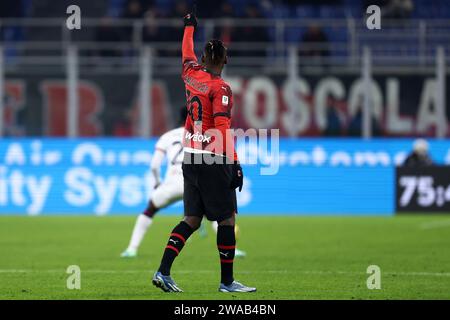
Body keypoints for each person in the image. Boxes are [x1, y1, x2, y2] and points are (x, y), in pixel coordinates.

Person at [152, 11, 256, 293]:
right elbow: (222, 128)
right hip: (213, 158)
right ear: (224, 60)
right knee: (227, 219)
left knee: (191, 219)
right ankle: (227, 282)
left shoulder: (191, 75)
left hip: (190, 157)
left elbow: (186, 53)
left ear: (203, 59)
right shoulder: (220, 87)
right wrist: (234, 162)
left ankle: (163, 271)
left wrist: (189, 26)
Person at [121, 107, 247, 258]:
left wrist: (157, 182)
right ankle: (234, 249)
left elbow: (154, 165)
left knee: (150, 210)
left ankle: (132, 249)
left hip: (171, 184)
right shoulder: (203, 135)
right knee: (217, 215)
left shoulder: (167, 136)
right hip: (194, 179)